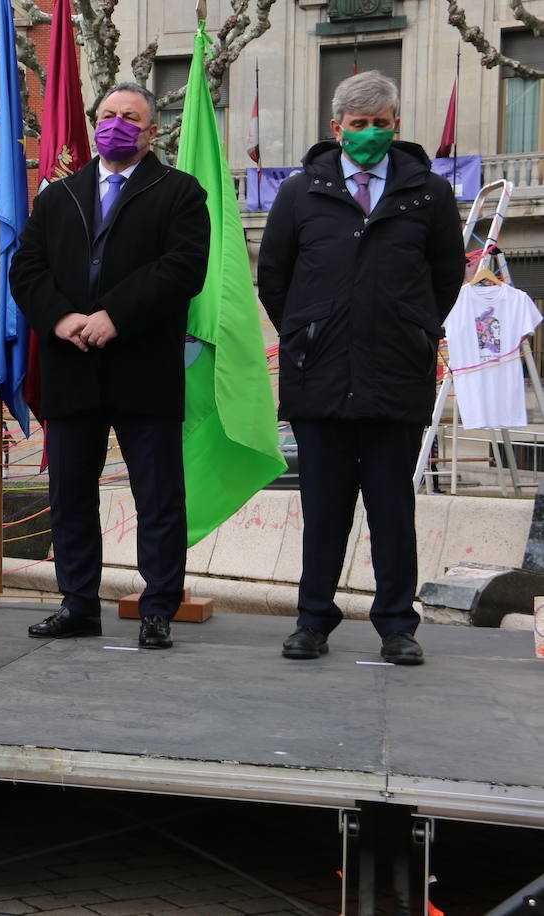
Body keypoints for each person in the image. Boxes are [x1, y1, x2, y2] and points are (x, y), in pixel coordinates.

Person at [257, 71, 463, 665]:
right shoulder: (299, 193)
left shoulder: (429, 194)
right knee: (322, 510)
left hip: (395, 378)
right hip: (318, 377)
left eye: (381, 123)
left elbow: (445, 279)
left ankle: (398, 625)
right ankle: (312, 620)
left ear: (395, 124)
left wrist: (411, 330)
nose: (370, 133)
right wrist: (307, 330)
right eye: (358, 124)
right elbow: (275, 278)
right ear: (336, 128)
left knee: (393, 510)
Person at [9, 82, 209, 650]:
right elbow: (26, 270)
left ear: (152, 132)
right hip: (72, 367)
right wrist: (64, 318)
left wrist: (114, 315)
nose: (115, 124)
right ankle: (77, 604)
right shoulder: (58, 196)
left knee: (158, 496)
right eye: (107, 115)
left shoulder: (180, 193)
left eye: (130, 117)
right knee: (70, 494)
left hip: (143, 368)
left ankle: (158, 607)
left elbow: (183, 269)